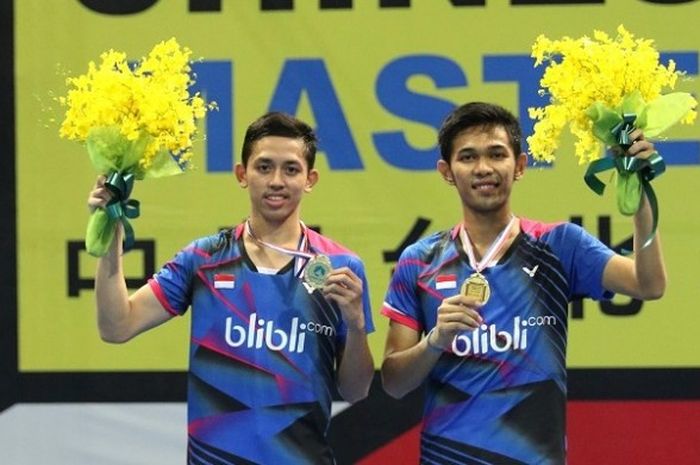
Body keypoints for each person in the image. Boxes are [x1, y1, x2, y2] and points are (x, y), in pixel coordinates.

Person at [380, 102, 665, 464]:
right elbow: (393, 382)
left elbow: (649, 284)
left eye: (496, 154)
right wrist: (435, 341)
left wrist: (637, 190)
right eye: (467, 157)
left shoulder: (561, 244)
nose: (483, 168)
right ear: (446, 171)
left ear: (519, 166)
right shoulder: (419, 261)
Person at [89, 112, 375, 465]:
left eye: (291, 169)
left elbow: (356, 390)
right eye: (264, 167)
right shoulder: (204, 258)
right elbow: (117, 326)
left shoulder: (341, 268)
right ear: (242, 174)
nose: (276, 181)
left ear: (310, 179)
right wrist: (111, 228)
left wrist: (357, 324)